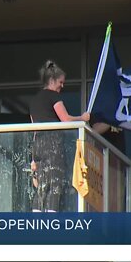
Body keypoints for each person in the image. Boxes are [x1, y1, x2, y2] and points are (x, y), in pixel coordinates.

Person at [29, 60, 90, 212]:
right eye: (60, 82)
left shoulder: (34, 101)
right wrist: (83, 118)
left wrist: (33, 158)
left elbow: (34, 130)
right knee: (55, 182)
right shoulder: (53, 96)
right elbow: (66, 119)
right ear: (52, 80)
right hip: (52, 143)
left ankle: (37, 219)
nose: (62, 86)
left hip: (39, 146)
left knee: (42, 184)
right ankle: (51, 221)